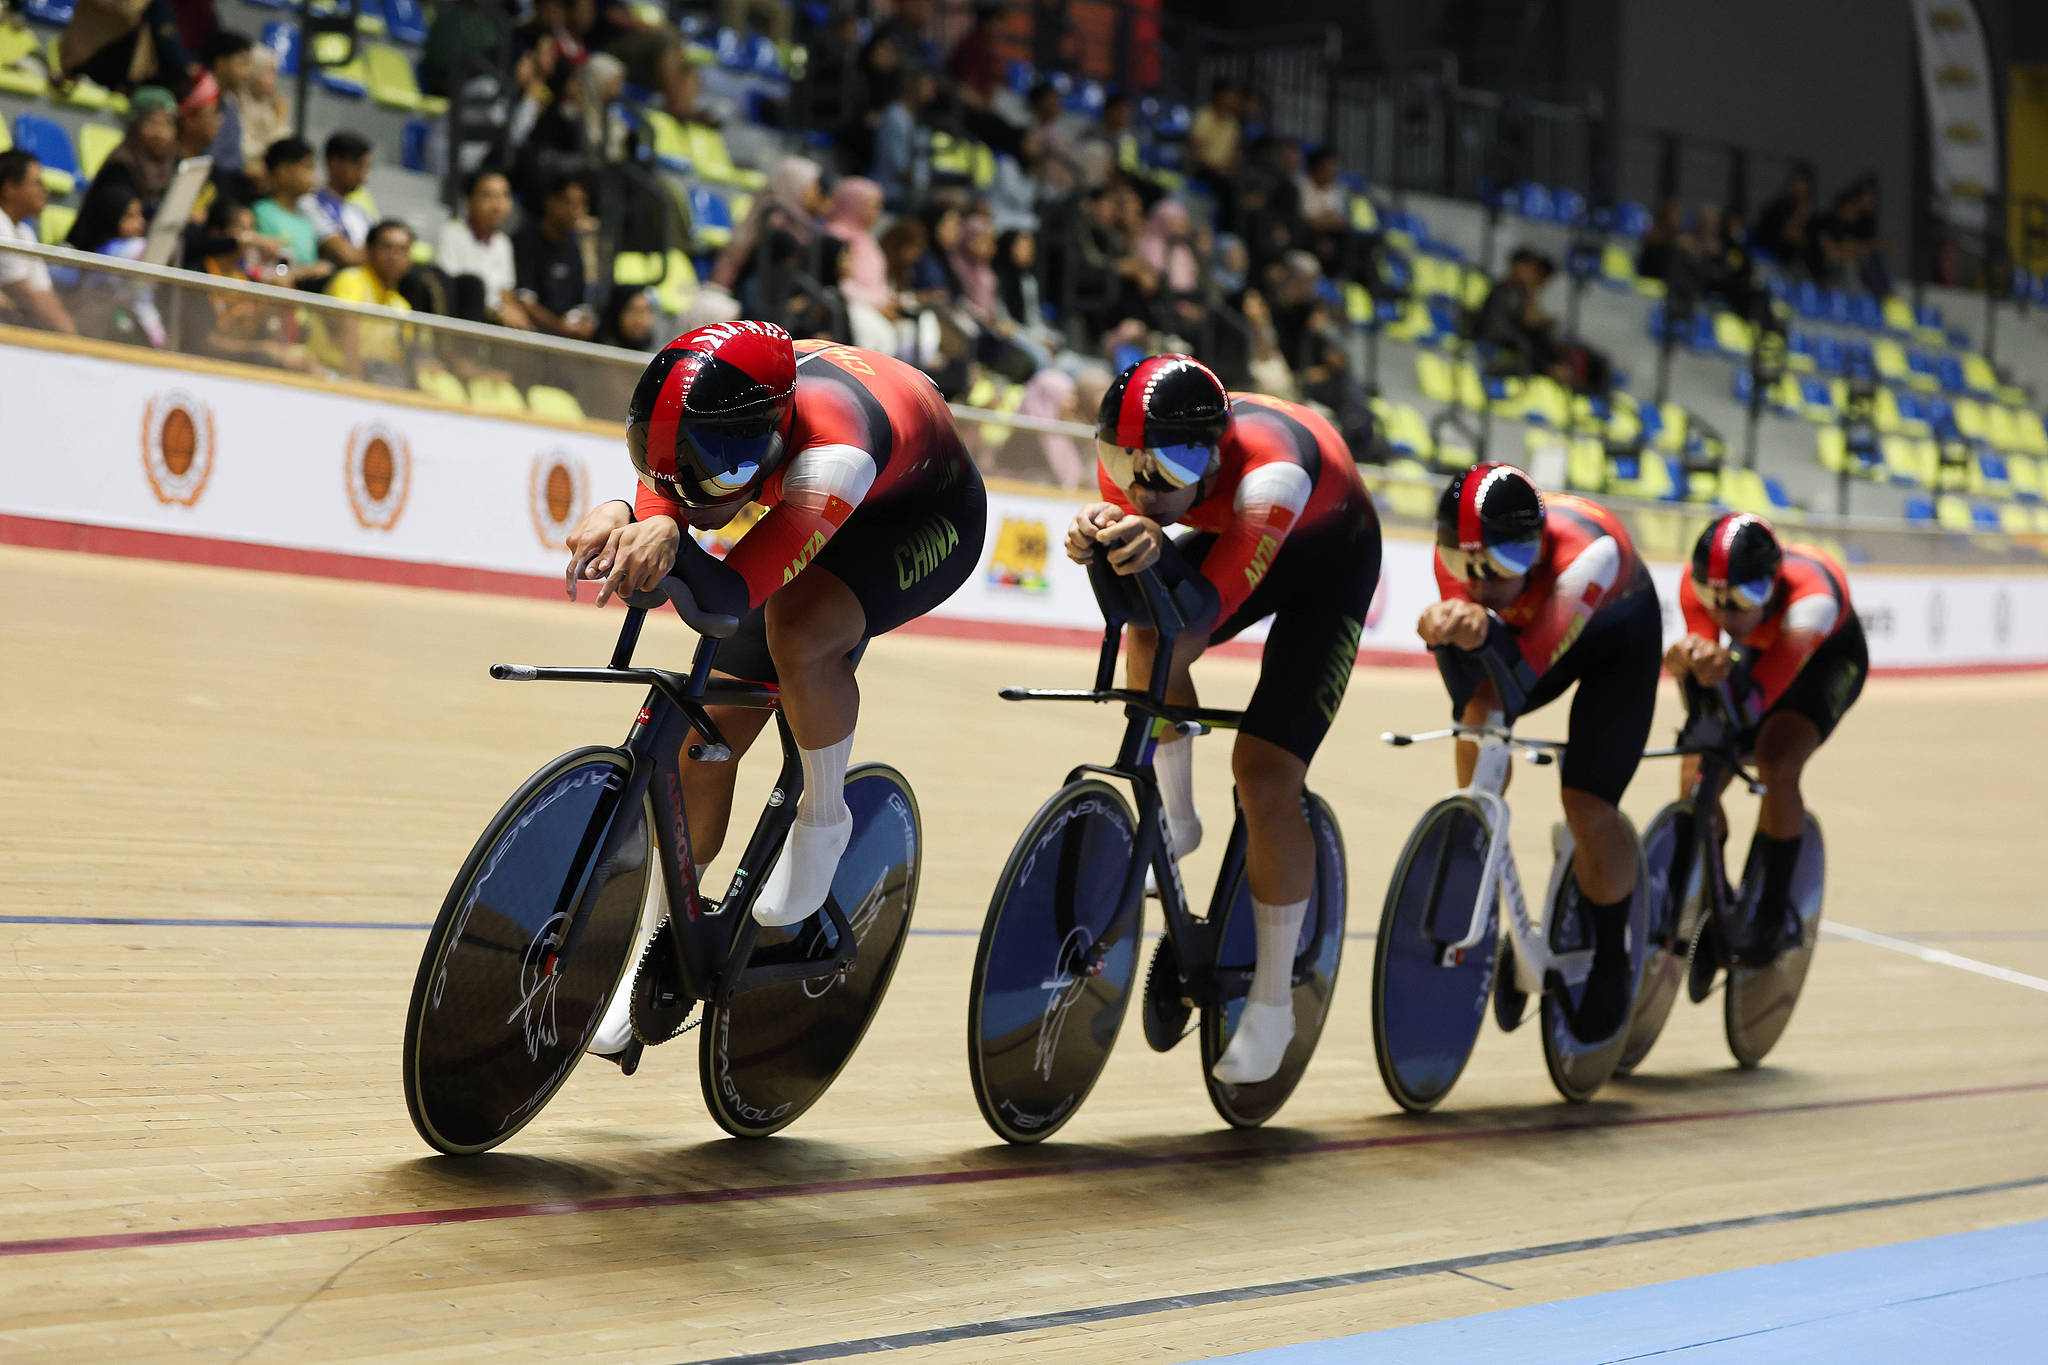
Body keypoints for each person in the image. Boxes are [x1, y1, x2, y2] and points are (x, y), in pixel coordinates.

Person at [561, 322, 988, 984]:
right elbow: (668, 492)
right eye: (669, 461)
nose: (693, 489)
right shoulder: (700, 422)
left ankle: (825, 816)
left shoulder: (835, 450)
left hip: (919, 510)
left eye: (720, 469)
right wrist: (636, 513)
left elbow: (729, 597)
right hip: (831, 475)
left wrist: (650, 523)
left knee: (800, 628)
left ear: (774, 434)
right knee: (701, 744)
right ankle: (658, 947)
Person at [1066, 355, 1381, 1085]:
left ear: (1210, 458)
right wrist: (1098, 537)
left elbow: (1207, 606)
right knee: (1149, 637)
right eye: (1123, 463)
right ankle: (1179, 819)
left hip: (1328, 562)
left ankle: (1273, 1001)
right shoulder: (1146, 458)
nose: (1142, 487)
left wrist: (1149, 548)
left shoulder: (1274, 473)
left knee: (1265, 777)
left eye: (1167, 470)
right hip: (1244, 530)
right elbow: (1148, 580)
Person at [1416, 463, 1659, 1040]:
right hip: (1536, 634)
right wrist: (1443, 634)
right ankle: (1475, 838)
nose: (1480, 584)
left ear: (1535, 547)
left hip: (1615, 643)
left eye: (1501, 565)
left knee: (1586, 802)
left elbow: (1524, 672)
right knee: (1478, 711)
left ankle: (1612, 957)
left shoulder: (1588, 556)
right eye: (1466, 567)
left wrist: (1474, 633)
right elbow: (1476, 690)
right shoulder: (1459, 554)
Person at [1664, 514, 1865, 963]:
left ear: (1772, 586)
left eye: (1743, 599)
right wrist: (1688, 663)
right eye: (1713, 599)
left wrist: (1714, 672)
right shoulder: (1701, 584)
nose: (1724, 612)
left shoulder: (1813, 600)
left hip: (1823, 664)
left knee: (1777, 762)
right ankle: (1714, 895)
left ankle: (1771, 913)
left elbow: (1754, 703)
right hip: (1757, 653)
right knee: (1697, 770)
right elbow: (1705, 679)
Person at [317, 218, 417, 383]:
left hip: (380, 380)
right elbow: (347, 331)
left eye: (403, 249)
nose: (394, 256)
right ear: (368, 250)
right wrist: (359, 386)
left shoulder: (402, 306)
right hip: (334, 375)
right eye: (387, 247)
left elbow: (402, 358)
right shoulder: (351, 279)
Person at [435, 168, 529, 328]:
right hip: (462, 320)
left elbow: (506, 293)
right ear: (469, 200)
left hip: (495, 323)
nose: (498, 205)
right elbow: (454, 290)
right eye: (489, 196)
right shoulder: (451, 233)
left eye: (505, 196)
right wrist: (497, 311)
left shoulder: (503, 243)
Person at [0, 150, 79, 334]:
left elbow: (43, 292)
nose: (46, 191)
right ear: (10, 188)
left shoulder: (25, 232)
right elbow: (26, 295)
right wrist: (72, 339)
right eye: (37, 183)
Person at [513, 175, 596, 339]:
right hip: (531, 335)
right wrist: (561, 328)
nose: (577, 211)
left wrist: (584, 321)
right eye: (570, 203)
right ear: (550, 201)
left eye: (582, 204)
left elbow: (580, 301)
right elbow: (523, 300)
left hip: (567, 334)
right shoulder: (525, 242)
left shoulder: (573, 245)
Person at [253, 137, 331, 283]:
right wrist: (308, 271)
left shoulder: (306, 221)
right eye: (308, 167)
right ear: (284, 171)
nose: (314, 176)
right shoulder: (262, 212)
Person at [98, 86, 180, 217]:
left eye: (168, 123)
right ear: (134, 126)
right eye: (152, 122)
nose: (161, 133)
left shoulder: (173, 162)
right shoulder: (120, 167)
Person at [302, 131, 374, 270]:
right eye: (358, 165)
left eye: (367, 168)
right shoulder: (310, 204)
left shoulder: (360, 213)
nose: (363, 175)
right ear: (333, 162)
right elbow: (347, 256)